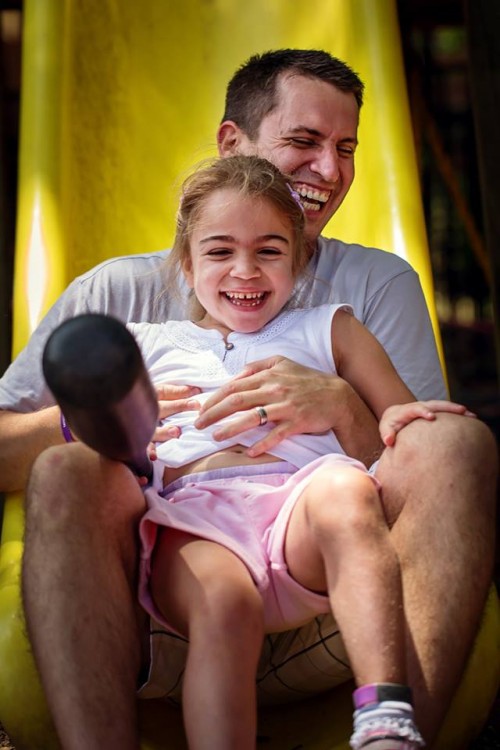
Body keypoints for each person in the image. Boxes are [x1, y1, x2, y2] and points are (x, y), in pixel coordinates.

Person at [1, 49, 496, 747]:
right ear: (233, 144)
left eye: (346, 148)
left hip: (332, 606)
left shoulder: (366, 294)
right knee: (64, 467)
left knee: (456, 441)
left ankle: (394, 723)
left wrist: (344, 408)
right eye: (303, 141)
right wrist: (95, 426)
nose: (329, 170)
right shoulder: (119, 301)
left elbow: (420, 466)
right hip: (158, 600)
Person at [126, 154, 437, 750]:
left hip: (302, 513)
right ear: (187, 266)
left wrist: (407, 417)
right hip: (195, 518)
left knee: (343, 489)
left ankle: (384, 715)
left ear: (297, 261)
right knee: (224, 605)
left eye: (269, 251)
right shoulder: (146, 345)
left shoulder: (331, 328)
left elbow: (398, 412)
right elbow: (98, 441)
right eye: (219, 252)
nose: (246, 270)